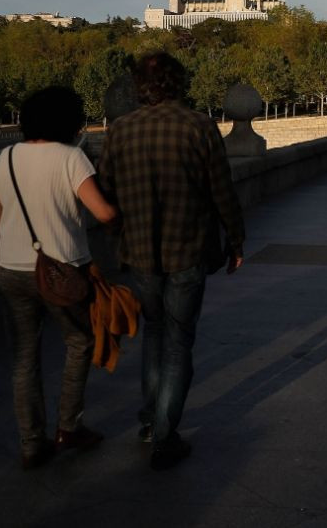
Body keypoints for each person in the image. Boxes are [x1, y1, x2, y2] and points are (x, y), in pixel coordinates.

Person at [96, 53, 245, 470]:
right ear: (179, 83)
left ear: (141, 87)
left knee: (154, 335)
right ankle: (164, 433)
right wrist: (235, 239)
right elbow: (222, 191)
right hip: (188, 250)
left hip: (140, 253)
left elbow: (104, 193)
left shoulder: (120, 130)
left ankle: (149, 420)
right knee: (180, 342)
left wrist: (119, 238)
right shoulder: (199, 126)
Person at [0, 86, 118, 470]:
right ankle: (68, 426)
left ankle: (31, 442)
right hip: (63, 271)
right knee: (79, 341)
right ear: (69, 121)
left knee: (24, 359)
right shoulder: (71, 157)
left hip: (12, 269)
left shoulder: (7, 157)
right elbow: (105, 214)